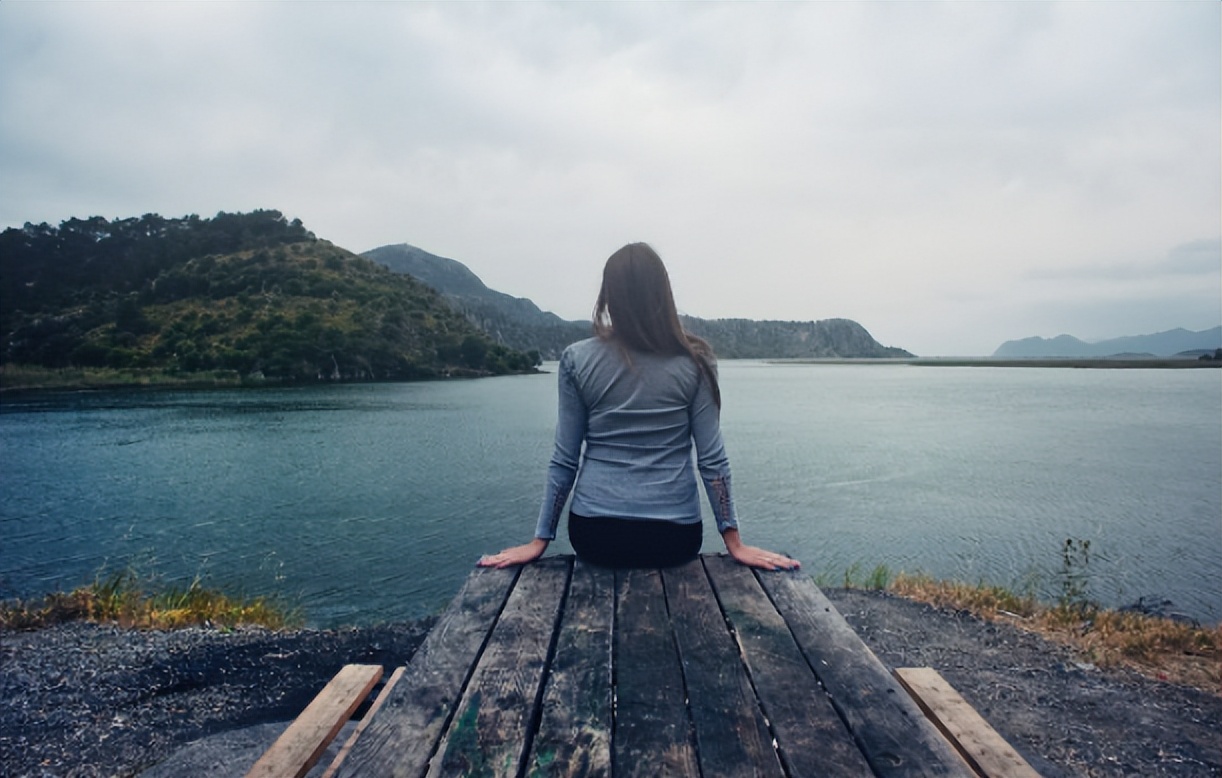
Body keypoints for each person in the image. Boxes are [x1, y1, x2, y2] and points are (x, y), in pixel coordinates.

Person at [479, 243, 800, 571]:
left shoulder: (577, 359)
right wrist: (734, 541)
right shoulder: (696, 361)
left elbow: (564, 459)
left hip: (594, 536)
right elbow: (712, 460)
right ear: (663, 294)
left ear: (608, 297)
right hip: (675, 539)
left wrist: (540, 539)